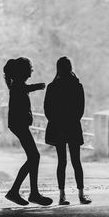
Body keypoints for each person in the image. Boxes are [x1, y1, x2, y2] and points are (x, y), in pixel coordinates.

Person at [3, 57, 53, 206]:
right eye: (29, 70)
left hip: (19, 125)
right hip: (19, 125)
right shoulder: (17, 86)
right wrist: (38, 86)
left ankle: (32, 193)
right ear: (22, 72)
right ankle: (20, 192)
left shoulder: (17, 85)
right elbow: (24, 89)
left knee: (34, 157)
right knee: (34, 157)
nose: (31, 74)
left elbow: (24, 89)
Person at [44, 56, 92, 205]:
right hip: (73, 126)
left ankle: (62, 196)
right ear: (71, 68)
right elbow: (80, 109)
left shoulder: (52, 87)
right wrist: (71, 119)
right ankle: (81, 195)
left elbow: (47, 110)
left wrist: (57, 120)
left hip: (58, 127)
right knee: (76, 161)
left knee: (61, 162)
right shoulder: (77, 86)